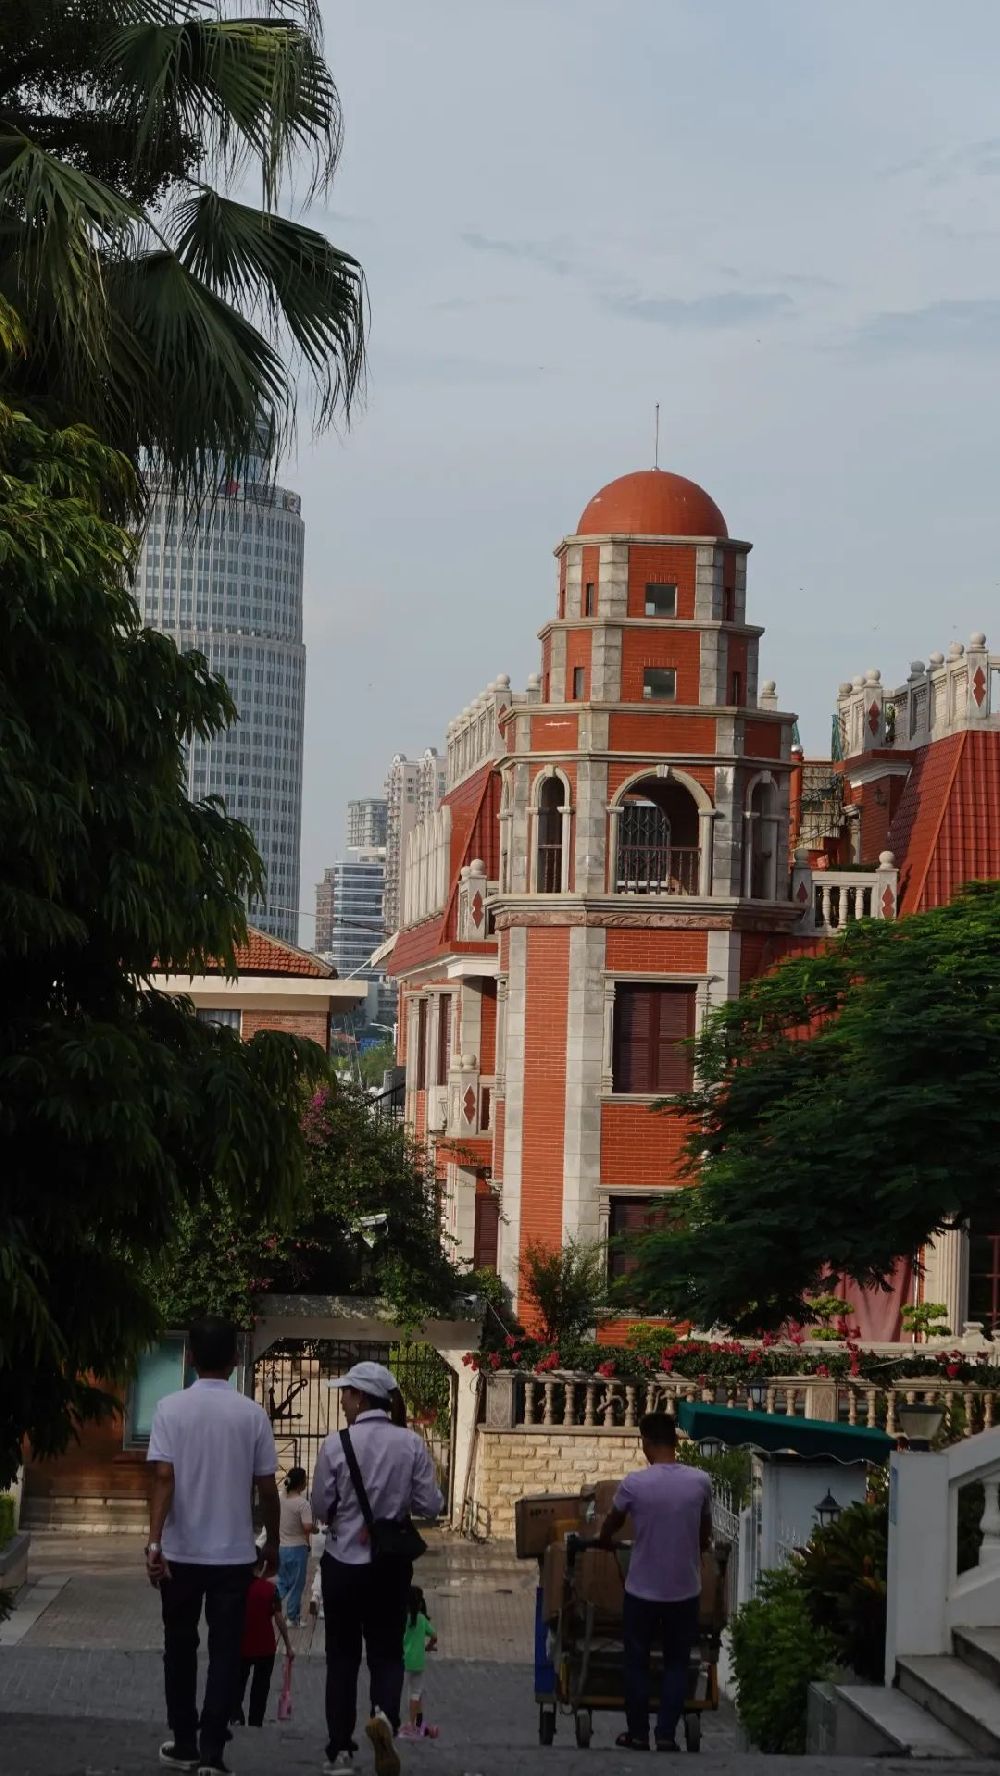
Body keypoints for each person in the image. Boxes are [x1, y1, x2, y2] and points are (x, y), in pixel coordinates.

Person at [146, 1317, 280, 1775]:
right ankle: (212, 1753)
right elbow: (267, 1488)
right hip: (233, 1556)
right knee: (226, 1652)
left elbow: (163, 1478)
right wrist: (272, 1542)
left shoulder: (169, 1409)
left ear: (189, 1357)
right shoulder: (252, 1414)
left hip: (180, 1553)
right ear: (235, 1359)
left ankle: (184, 1742)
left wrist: (154, 1542)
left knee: (179, 1647)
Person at [311, 1361, 444, 1776]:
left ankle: (339, 1751)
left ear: (361, 1397)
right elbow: (431, 1505)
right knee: (387, 1653)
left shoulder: (336, 1444)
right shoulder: (411, 1444)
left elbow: (319, 1507)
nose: (342, 1400)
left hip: (343, 1564)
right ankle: (384, 1715)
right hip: (390, 1567)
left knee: (342, 1658)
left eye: (346, 1392)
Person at [598, 1412, 712, 1753]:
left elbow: (612, 1522)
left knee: (636, 1661)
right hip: (685, 1590)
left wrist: (604, 1539)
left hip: (642, 1590)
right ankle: (665, 1734)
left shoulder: (635, 1484)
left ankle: (637, 1734)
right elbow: (704, 1532)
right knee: (677, 1662)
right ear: (676, 1442)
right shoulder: (700, 1482)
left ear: (645, 1443)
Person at [231, 1550, 293, 1727]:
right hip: (265, 1646)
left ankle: (236, 1715)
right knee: (261, 1688)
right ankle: (255, 1721)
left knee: (237, 1684)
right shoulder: (270, 1589)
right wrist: (288, 1645)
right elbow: (279, 1619)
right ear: (261, 1564)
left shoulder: (236, 1589)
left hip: (241, 1645)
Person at [276, 1466, 314, 1627]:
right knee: (297, 1584)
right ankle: (292, 1617)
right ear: (300, 1483)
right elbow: (307, 1527)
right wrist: (316, 1529)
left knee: (282, 1581)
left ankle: (271, 1604)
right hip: (298, 1548)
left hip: (282, 1547)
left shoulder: (281, 1499)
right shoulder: (302, 1504)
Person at [398, 1585, 437, 1740]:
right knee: (416, 1693)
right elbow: (434, 1635)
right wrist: (429, 1646)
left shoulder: (403, 1618)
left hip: (404, 1662)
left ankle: (409, 1725)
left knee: (400, 1692)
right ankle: (416, 1724)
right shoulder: (421, 1619)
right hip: (419, 1663)